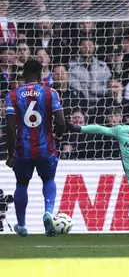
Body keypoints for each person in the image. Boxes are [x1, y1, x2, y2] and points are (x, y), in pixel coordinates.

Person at [4, 60, 66, 237]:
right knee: (48, 180)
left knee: (21, 184)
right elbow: (60, 121)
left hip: (22, 150)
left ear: (23, 74)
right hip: (46, 149)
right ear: (40, 73)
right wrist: (57, 137)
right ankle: (48, 213)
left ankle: (22, 225)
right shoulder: (50, 93)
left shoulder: (13, 96)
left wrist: (10, 154)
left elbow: (10, 127)